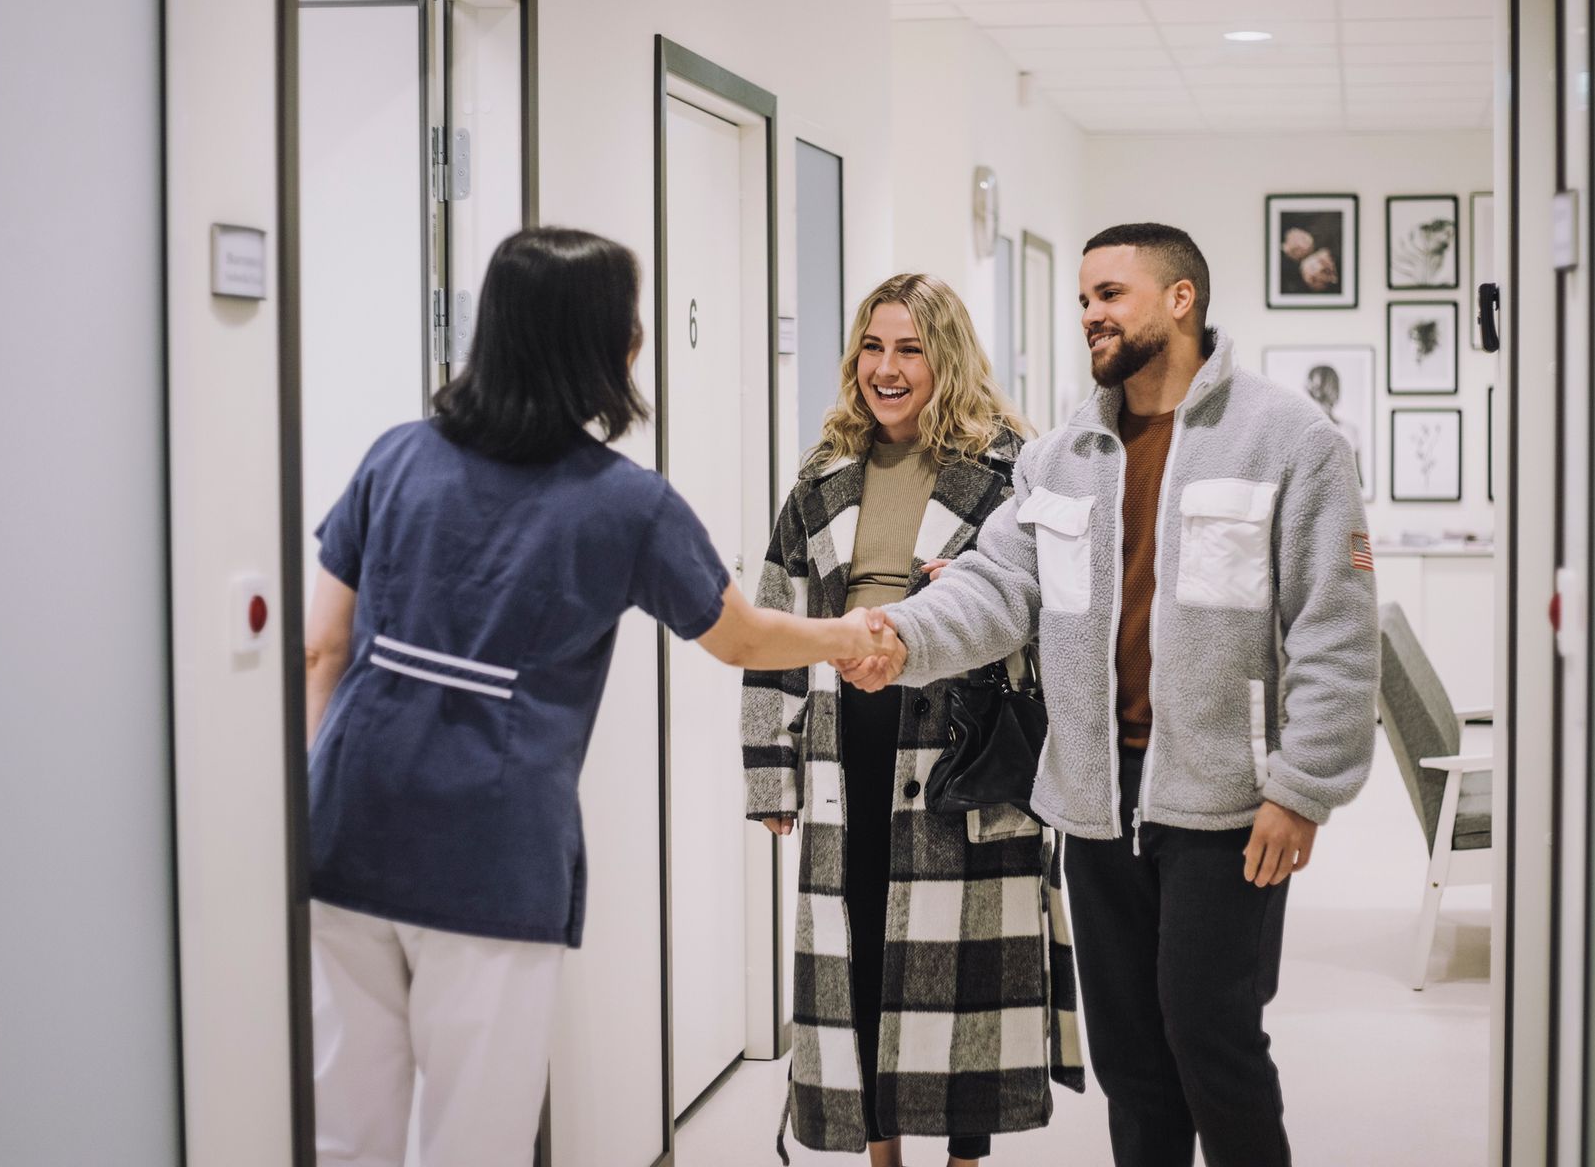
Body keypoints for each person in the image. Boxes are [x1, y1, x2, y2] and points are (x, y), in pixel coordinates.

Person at [302, 227, 899, 1167]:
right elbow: (739, 634)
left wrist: (329, 787)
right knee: (474, 1136)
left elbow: (321, 647)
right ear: (608, 345)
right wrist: (851, 635)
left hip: (345, 827)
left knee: (343, 1130)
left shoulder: (397, 458)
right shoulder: (624, 503)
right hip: (492, 854)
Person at [840, 224, 1380, 1167]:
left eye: (1110, 294)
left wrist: (1302, 788)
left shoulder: (1289, 440)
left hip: (1226, 803)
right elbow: (997, 585)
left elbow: (1335, 628)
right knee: (1131, 1060)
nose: (1090, 312)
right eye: (1084, 296)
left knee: (1213, 1044)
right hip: (1094, 800)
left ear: (1181, 300)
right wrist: (899, 636)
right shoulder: (1063, 456)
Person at [742, 274, 1084, 1167]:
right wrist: (770, 770)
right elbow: (776, 620)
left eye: (909, 349)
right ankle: (880, 1153)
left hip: (965, 741)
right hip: (844, 744)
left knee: (965, 966)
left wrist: (959, 606)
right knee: (859, 943)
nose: (886, 370)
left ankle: (965, 1157)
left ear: (947, 358)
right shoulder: (822, 477)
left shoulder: (1014, 469)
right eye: (872, 347)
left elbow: (1059, 609)